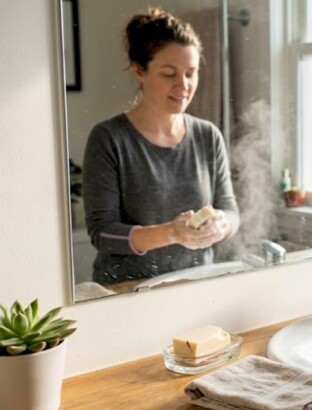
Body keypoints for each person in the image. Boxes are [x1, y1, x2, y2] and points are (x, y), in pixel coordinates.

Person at [83, 7, 239, 286]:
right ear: (139, 71)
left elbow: (231, 211)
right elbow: (102, 234)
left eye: (191, 73)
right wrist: (171, 233)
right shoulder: (109, 139)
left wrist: (221, 224)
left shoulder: (208, 136)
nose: (183, 85)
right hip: (127, 292)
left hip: (195, 286)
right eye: (169, 74)